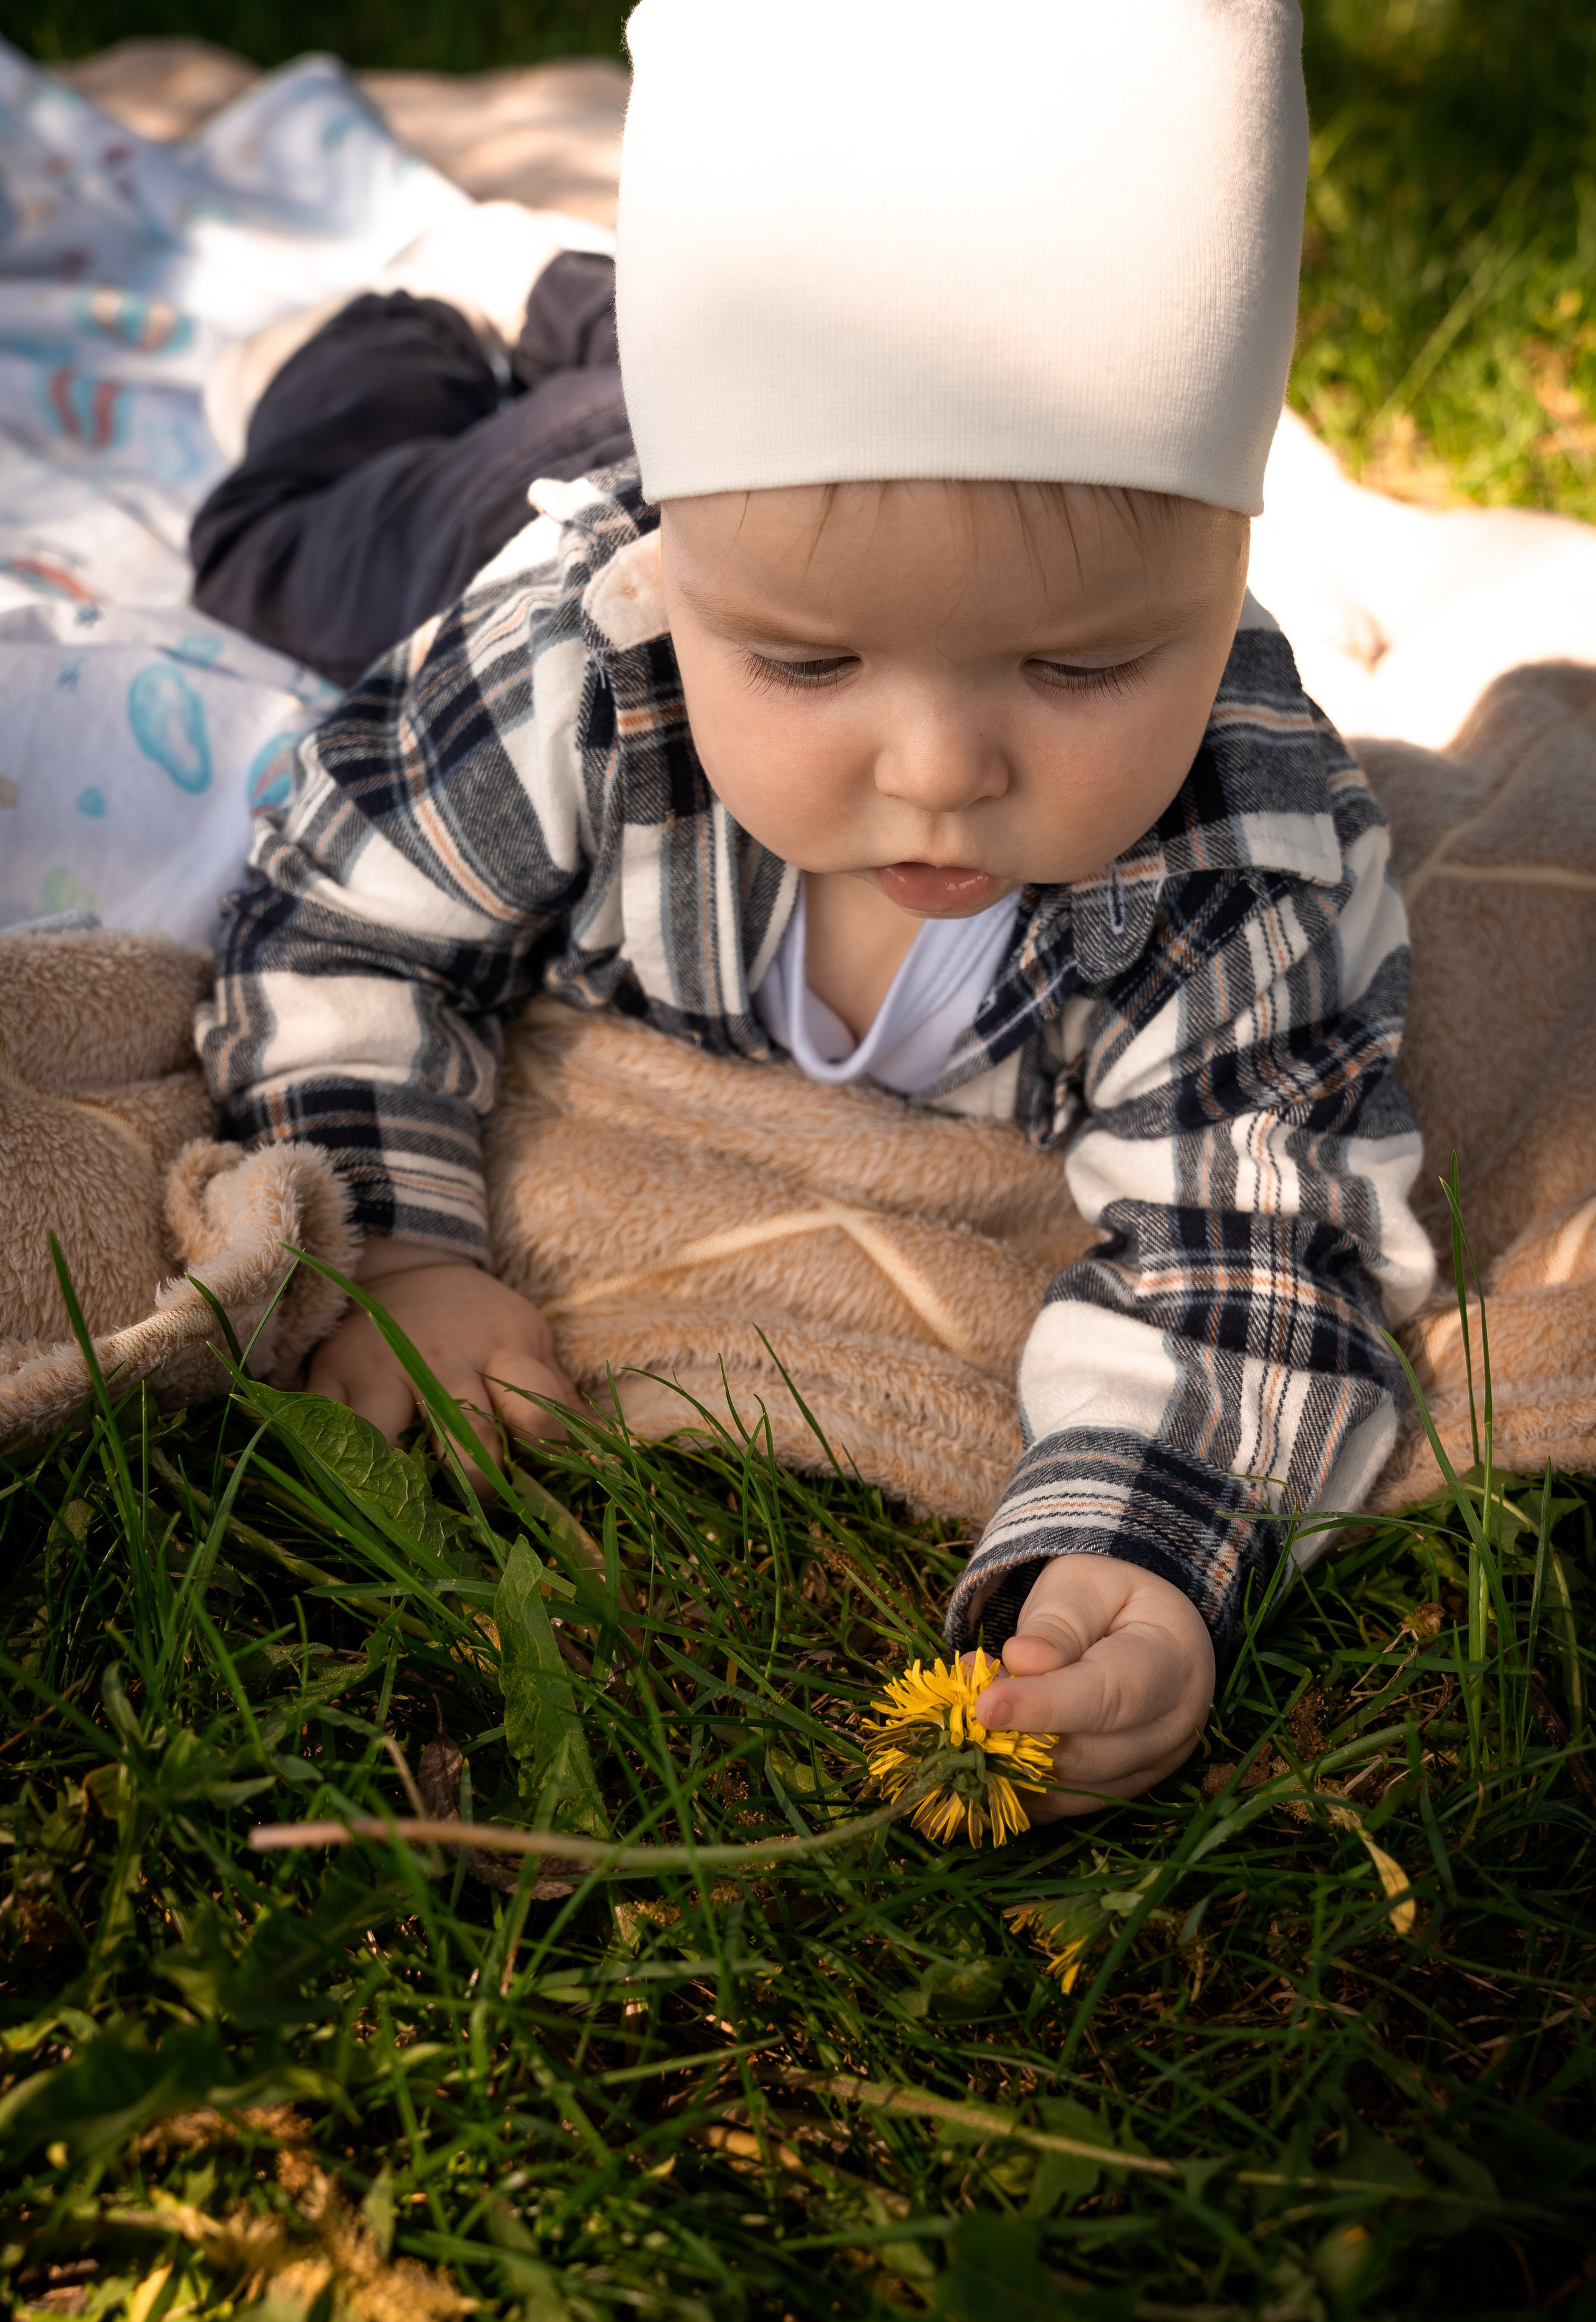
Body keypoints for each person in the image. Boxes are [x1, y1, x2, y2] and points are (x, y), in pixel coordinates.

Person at [197, 0, 1435, 1819]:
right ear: (676, 588)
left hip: (754, 450)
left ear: (1235, 575)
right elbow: (339, 919)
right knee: (278, 543)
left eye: (1085, 666)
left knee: (710, 429)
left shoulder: (1251, 859)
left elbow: (1263, 1246)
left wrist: (1149, 1554)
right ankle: (472, 304)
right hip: (508, 491)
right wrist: (391, 1243)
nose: (937, 766)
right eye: (804, 662)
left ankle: (604, 326)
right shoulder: (574, 657)